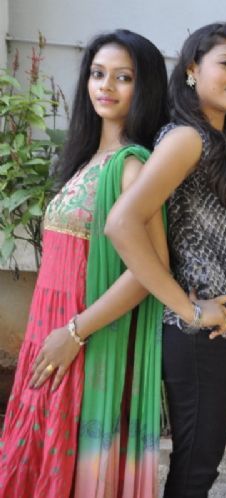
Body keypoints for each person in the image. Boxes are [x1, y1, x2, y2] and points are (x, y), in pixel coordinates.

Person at [105, 22, 226, 498]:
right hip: (204, 333)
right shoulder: (186, 138)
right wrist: (187, 309)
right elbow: (122, 224)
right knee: (197, 469)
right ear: (192, 69)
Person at [0, 30, 169, 497]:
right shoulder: (85, 160)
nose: (106, 86)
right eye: (98, 74)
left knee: (69, 472)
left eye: (123, 77)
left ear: (145, 87)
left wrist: (74, 333)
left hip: (86, 339)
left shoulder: (133, 167)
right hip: (47, 336)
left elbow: (150, 271)